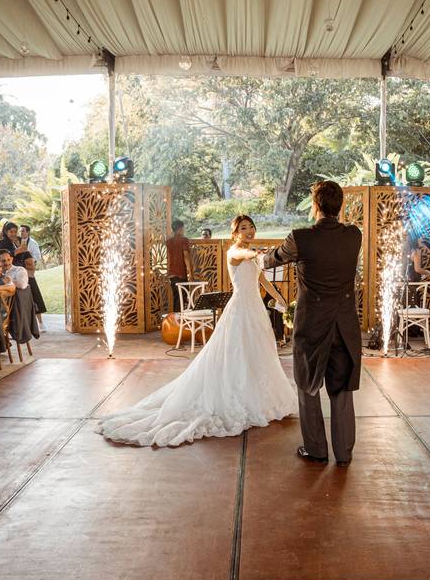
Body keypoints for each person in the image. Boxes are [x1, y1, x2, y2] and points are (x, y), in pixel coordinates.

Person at [95, 214, 297, 447]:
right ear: (235, 233)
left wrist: (281, 298)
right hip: (240, 310)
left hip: (256, 311)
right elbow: (248, 254)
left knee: (258, 354)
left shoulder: (251, 255)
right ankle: (239, 397)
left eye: (251, 226)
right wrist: (263, 255)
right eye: (243, 228)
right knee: (236, 353)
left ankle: (260, 397)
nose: (249, 231)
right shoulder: (235, 252)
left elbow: (263, 282)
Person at [263, 180, 363, 466]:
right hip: (344, 325)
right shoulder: (354, 236)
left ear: (315, 205)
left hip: (312, 325)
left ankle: (316, 449)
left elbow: (274, 259)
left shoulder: (300, 238)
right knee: (342, 389)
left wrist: (260, 259)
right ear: (340, 205)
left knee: (308, 386)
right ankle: (343, 452)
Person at [19, 225, 47, 332]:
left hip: (29, 271)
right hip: (19, 274)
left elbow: (37, 257)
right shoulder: (16, 242)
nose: (21, 233)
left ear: (28, 232)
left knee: (35, 296)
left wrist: (28, 259)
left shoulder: (33, 243)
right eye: (20, 231)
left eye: (23, 231)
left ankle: (41, 323)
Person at [166, 219, 194, 312]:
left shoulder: (169, 241)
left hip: (172, 274)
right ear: (180, 229)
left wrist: (167, 272)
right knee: (182, 297)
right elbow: (186, 256)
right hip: (181, 274)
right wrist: (190, 272)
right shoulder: (184, 240)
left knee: (176, 298)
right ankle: (179, 321)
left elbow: (168, 258)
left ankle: (175, 321)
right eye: (183, 228)